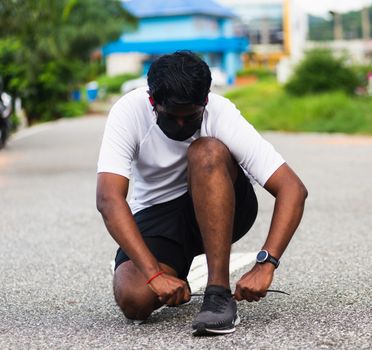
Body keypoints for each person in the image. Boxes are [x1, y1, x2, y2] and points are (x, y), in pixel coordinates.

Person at [96, 51, 307, 336]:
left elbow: (292, 189)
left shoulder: (220, 112)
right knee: (134, 300)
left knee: (206, 150)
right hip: (158, 214)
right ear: (152, 102)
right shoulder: (128, 111)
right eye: (172, 117)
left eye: (191, 117)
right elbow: (109, 198)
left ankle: (218, 294)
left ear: (205, 101)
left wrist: (266, 263)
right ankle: (165, 267)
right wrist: (153, 274)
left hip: (223, 201)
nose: (182, 125)